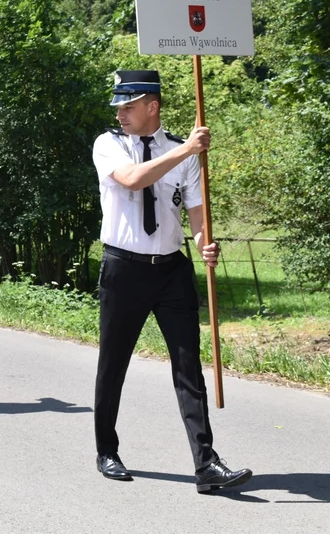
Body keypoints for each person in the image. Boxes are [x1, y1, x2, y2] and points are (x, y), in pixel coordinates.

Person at [91, 69, 251, 492]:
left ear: (151, 106)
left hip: (170, 270)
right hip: (123, 268)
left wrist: (204, 244)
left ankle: (206, 464)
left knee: (188, 367)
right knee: (114, 363)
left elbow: (197, 214)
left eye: (128, 106)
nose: (121, 114)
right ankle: (106, 449)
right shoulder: (110, 145)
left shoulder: (183, 150)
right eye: (118, 107)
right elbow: (132, 179)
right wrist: (187, 152)